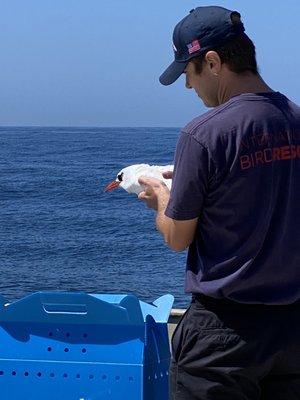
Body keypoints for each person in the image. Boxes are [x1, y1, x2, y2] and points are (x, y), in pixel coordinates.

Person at [138, 6, 300, 400]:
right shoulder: (295, 120)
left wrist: (161, 198)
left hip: (223, 335)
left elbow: (178, 237)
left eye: (188, 74)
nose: (188, 88)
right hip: (292, 329)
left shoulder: (203, 134)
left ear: (211, 62)